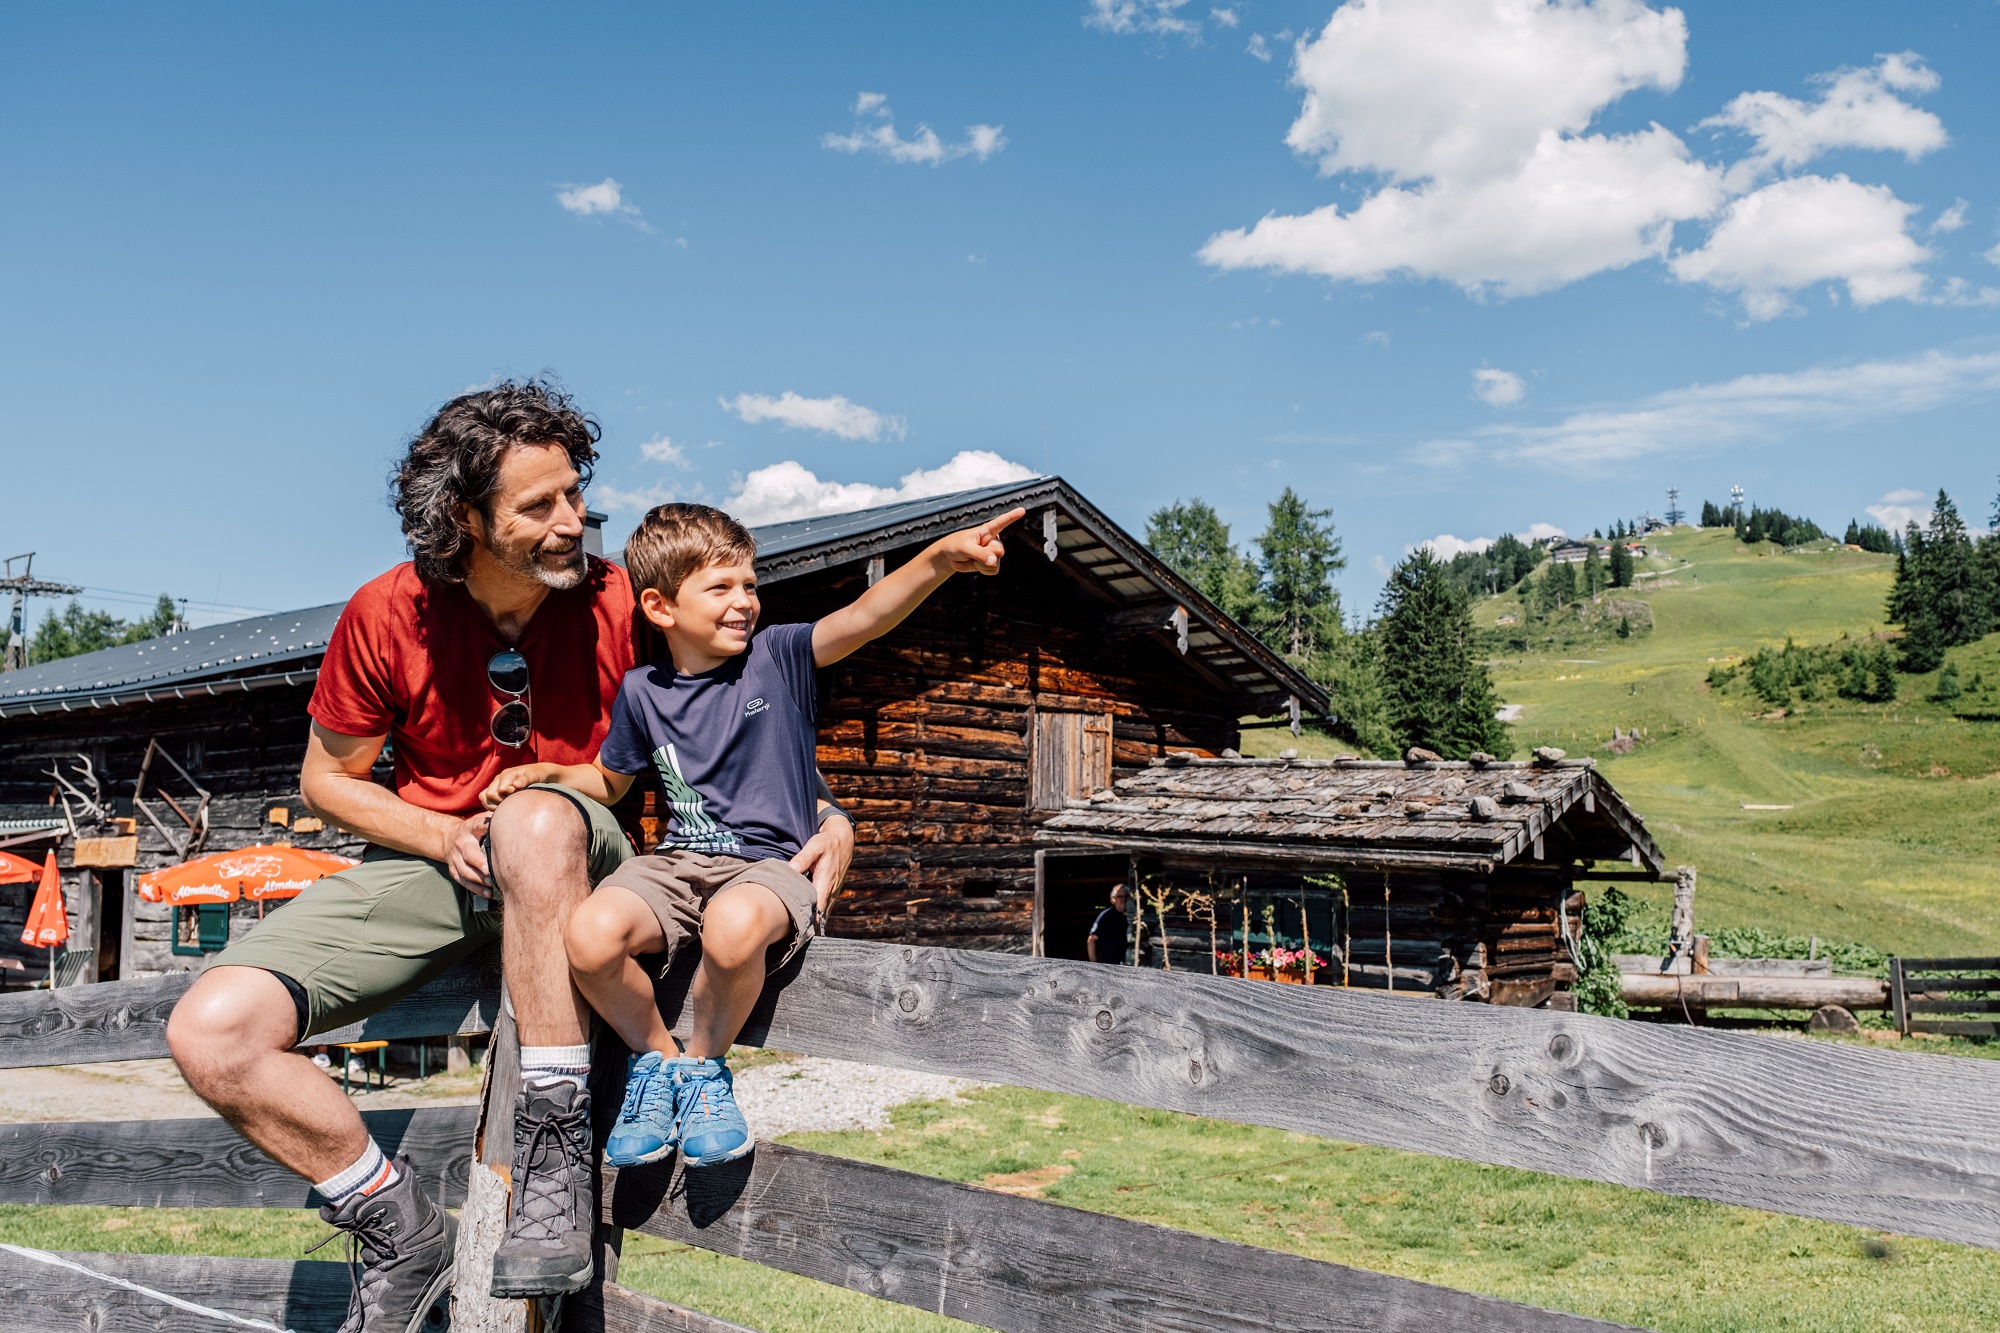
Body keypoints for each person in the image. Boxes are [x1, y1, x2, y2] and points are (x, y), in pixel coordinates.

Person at [163, 382, 857, 1330]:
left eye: (576, 493)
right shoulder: (384, 613)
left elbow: (743, 719)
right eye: (542, 504)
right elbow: (330, 779)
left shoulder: (620, 601)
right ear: (465, 518)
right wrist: (441, 833)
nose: (577, 520)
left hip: (588, 856)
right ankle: (396, 1224)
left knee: (535, 815)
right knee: (212, 1028)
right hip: (437, 864)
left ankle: (553, 1155)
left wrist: (828, 812)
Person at [481, 500, 1024, 1171]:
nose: (744, 601)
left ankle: (706, 1069)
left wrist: (942, 558)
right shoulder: (643, 690)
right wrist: (549, 774)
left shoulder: (778, 656)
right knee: (589, 936)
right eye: (721, 587)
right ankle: (660, 1063)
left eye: (750, 585)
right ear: (660, 607)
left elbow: (864, 616)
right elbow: (610, 780)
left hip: (770, 865)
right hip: (677, 863)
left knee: (734, 927)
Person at [1087, 884, 1131, 965]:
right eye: (1120, 896)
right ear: (1113, 899)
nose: (1124, 899)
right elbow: (1091, 940)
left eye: (1126, 896)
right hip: (1110, 965)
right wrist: (1094, 964)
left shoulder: (1135, 917)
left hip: (1130, 964)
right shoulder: (1105, 916)